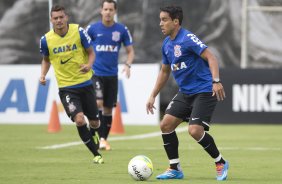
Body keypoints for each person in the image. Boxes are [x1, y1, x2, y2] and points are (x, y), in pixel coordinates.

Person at [146, 6, 229, 180]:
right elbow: (164, 72)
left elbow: (211, 57)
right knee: (166, 125)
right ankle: (174, 168)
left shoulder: (188, 38)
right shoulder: (167, 44)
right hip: (186, 92)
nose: (160, 23)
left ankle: (220, 162)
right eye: (160, 19)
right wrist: (153, 94)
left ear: (176, 22)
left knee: (194, 130)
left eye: (164, 20)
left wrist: (216, 81)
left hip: (204, 90)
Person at [39, 5, 104, 164]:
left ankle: (94, 132)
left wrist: (89, 65)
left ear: (66, 17)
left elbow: (91, 53)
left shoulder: (78, 32)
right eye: (55, 18)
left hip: (86, 83)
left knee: (95, 122)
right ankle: (96, 154)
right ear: (51, 20)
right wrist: (42, 74)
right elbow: (46, 60)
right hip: (67, 88)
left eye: (61, 17)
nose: (59, 21)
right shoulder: (46, 40)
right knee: (80, 120)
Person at [86, 0, 134, 151]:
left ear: (115, 12)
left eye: (110, 9)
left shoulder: (121, 30)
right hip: (96, 73)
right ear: (101, 11)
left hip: (112, 75)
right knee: (98, 103)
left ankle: (102, 139)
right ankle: (93, 129)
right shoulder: (92, 29)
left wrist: (127, 65)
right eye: (105, 9)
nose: (108, 12)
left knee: (108, 109)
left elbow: (130, 51)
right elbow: (83, 47)